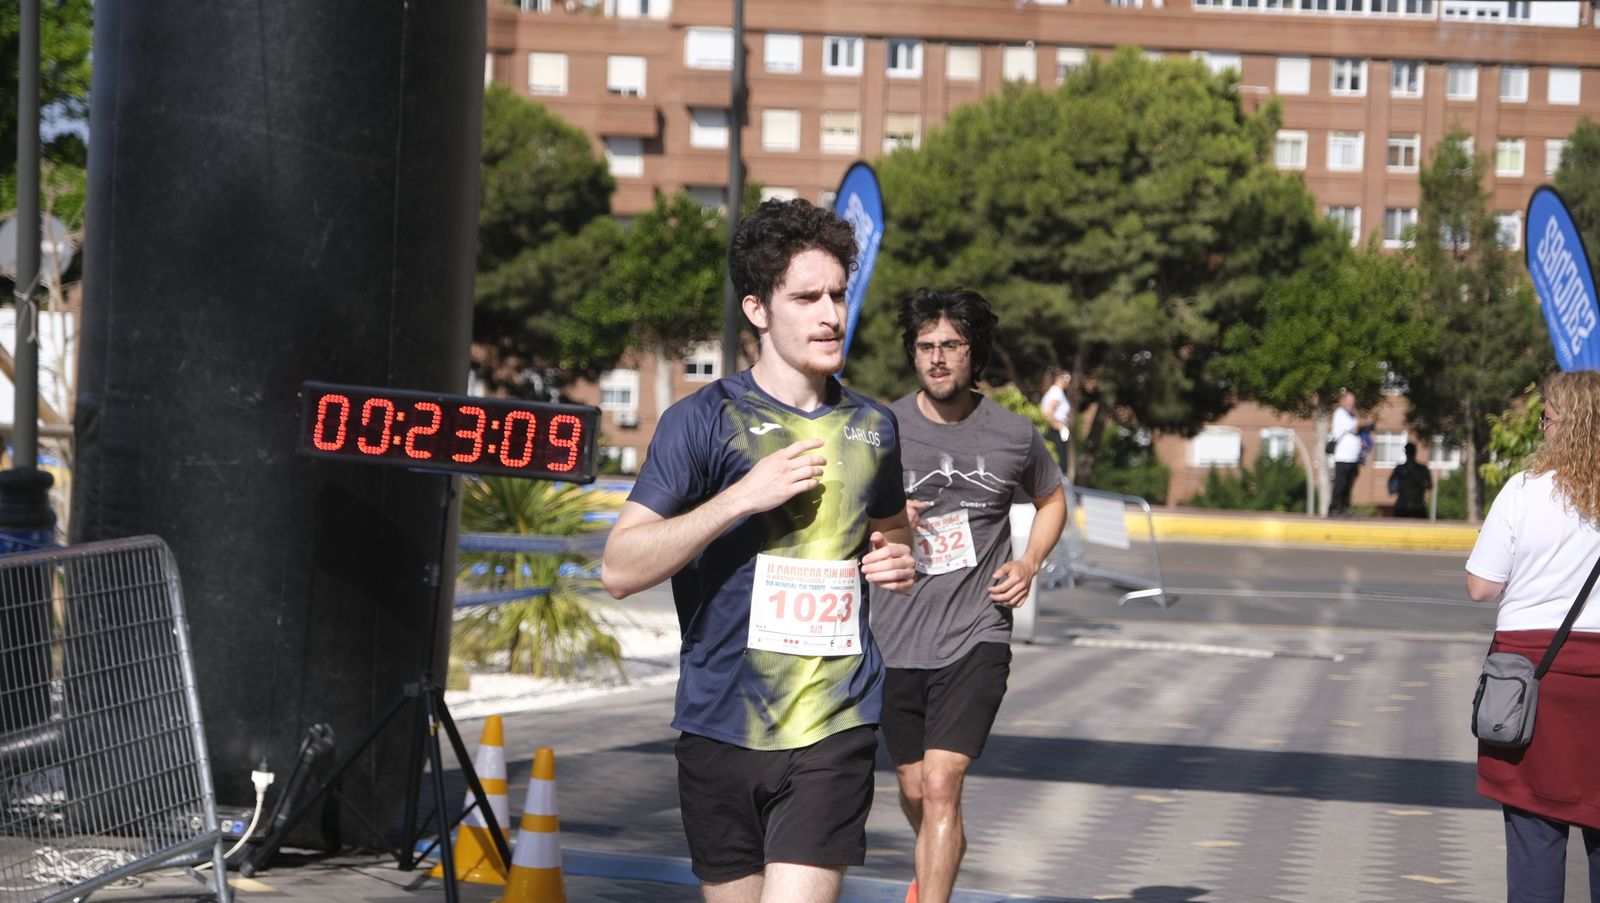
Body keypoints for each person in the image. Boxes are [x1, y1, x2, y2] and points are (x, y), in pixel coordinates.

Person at [600, 199, 916, 903]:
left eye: (838, 294)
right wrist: (740, 498)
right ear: (757, 309)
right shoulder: (701, 421)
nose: (831, 315)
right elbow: (620, 567)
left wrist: (899, 558)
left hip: (835, 721)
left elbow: (894, 531)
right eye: (806, 298)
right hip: (720, 722)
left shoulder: (874, 427)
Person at [870, 288, 1067, 903]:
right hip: (893, 636)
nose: (936, 357)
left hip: (976, 632)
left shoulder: (1012, 433)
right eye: (925, 346)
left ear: (973, 352)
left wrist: (1029, 561)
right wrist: (884, 519)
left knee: (940, 783)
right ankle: (942, 850)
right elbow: (841, 519)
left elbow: (1052, 499)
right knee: (914, 789)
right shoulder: (880, 430)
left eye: (950, 345)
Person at [1466, 371, 1600, 903]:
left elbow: (1481, 587)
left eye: (1546, 417)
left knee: (1534, 839)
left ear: (1566, 425)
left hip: (1532, 684)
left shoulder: (1524, 491)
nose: (1542, 427)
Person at [1328, 390, 1362, 516]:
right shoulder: (1340, 413)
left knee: (1348, 485)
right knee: (1340, 484)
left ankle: (1345, 509)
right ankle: (1333, 508)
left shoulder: (1351, 415)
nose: (1351, 403)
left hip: (1353, 457)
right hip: (1343, 456)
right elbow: (1353, 429)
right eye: (1348, 401)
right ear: (1343, 401)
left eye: (1352, 401)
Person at [1039, 370, 1072, 478]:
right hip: (1054, 431)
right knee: (1058, 458)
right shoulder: (1056, 393)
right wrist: (1056, 425)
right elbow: (1049, 411)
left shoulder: (1056, 392)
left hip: (1056, 430)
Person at [1388, 441, 1431, 518]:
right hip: (1403, 506)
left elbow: (1430, 485)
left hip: (1416, 506)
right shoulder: (1400, 469)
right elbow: (1391, 487)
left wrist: (1418, 482)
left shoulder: (1421, 469)